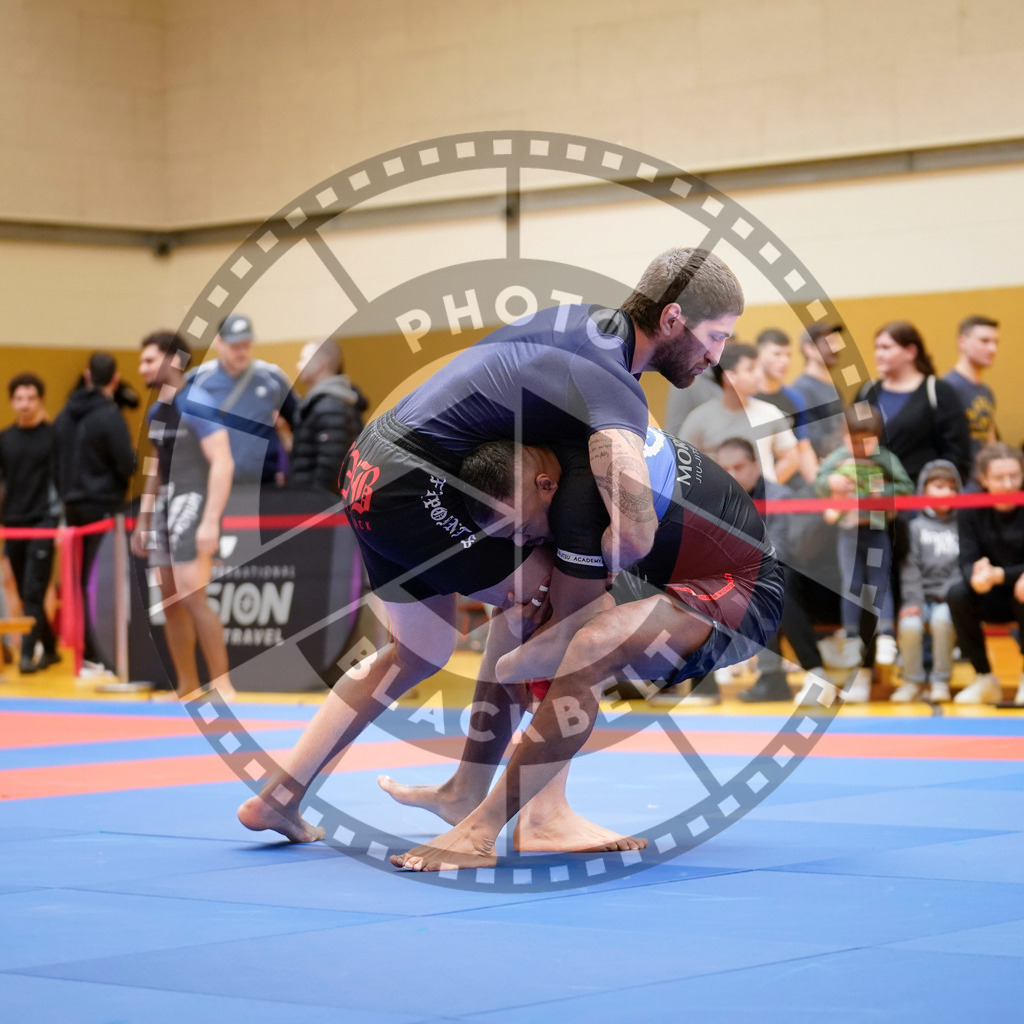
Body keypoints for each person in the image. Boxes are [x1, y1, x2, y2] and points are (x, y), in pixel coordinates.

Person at [236, 246, 744, 846]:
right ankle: (545, 816)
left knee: (417, 650)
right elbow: (635, 536)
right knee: (567, 608)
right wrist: (602, 564)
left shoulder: (578, 319)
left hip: (368, 469)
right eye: (716, 337)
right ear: (672, 319)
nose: (718, 356)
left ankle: (284, 795)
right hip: (416, 486)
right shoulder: (616, 390)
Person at [386, 425, 784, 870]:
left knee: (591, 642)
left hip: (744, 593)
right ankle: (472, 793)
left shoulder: (580, 501)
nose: (521, 541)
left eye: (521, 527)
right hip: (667, 572)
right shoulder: (562, 454)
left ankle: (488, 829)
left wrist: (511, 666)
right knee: (523, 611)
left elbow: (563, 637)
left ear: (544, 486)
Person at [130, 331, 237, 700]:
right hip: (167, 506)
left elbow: (222, 461)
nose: (141, 367)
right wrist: (144, 519)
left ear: (173, 361)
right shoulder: (159, 410)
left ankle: (222, 684)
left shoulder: (197, 401)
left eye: (148, 359)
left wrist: (211, 520)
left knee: (193, 595)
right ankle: (188, 686)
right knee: (171, 601)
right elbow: (156, 468)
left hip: (193, 501)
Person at [714, 437, 833, 702]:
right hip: (749, 578)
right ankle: (711, 679)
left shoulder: (779, 497)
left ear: (756, 466)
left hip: (810, 586)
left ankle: (810, 672)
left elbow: (779, 554)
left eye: (739, 467)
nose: (732, 474)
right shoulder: (720, 502)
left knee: (770, 583)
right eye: (725, 469)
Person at [815, 405, 913, 702]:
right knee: (852, 583)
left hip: (876, 529)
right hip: (848, 531)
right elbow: (820, 480)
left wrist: (881, 493)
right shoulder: (838, 458)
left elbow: (906, 487)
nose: (860, 447)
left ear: (879, 437)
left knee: (878, 581)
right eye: (854, 440)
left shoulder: (885, 459)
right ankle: (852, 636)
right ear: (844, 435)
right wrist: (831, 482)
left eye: (867, 441)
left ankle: (885, 635)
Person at [54, 352, 135, 674]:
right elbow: (126, 463)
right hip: (102, 506)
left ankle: (89, 651)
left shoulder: (63, 416)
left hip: (72, 505)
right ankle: (98, 654)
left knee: (79, 580)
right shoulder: (109, 416)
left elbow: (54, 461)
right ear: (114, 379)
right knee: (99, 581)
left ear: (88, 376)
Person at [947, 443, 1024, 706]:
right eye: (999, 477)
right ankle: (983, 677)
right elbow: (967, 560)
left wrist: (1000, 574)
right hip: (990, 592)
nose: (1008, 483)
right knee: (957, 594)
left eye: (1014, 476)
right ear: (983, 479)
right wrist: (976, 577)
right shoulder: (971, 509)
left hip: (1020, 590)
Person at [189, 314, 298, 486]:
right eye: (235, 346)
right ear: (220, 343)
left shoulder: (271, 378)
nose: (242, 352)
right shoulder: (198, 380)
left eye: (246, 345)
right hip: (213, 482)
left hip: (264, 482)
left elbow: (299, 422)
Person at [858, 321, 971, 486]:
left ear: (910, 352)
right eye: (877, 348)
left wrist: (939, 487)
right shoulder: (868, 390)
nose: (878, 354)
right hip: (872, 494)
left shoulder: (937, 392)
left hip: (918, 497)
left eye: (886, 348)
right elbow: (849, 438)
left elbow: (957, 452)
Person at [0, 374, 61, 673]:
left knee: (35, 589)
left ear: (40, 400)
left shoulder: (53, 437)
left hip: (43, 521)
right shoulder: (4, 439)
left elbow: (60, 481)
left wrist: (59, 523)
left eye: (30, 398)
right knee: (25, 593)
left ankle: (27, 654)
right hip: (14, 524)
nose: (24, 404)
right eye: (19, 399)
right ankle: (50, 648)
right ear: (12, 402)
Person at [678, 342, 800, 483]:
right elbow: (683, 464)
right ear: (730, 377)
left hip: (760, 505)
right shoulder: (699, 418)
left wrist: (766, 488)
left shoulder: (770, 412)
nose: (758, 376)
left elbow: (791, 457)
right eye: (751, 369)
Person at [893, 460, 963, 703]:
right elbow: (910, 568)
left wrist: (948, 592)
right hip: (919, 597)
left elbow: (962, 567)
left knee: (943, 621)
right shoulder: (915, 528)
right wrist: (913, 600)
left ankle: (940, 680)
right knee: (910, 627)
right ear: (924, 491)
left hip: (948, 597)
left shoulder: (962, 527)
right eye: (939, 486)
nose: (947, 493)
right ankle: (912, 680)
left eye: (953, 488)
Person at [288, 337, 368, 494]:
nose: (298, 365)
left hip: (320, 506)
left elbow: (331, 464)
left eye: (304, 359)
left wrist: (316, 503)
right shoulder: (327, 402)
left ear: (319, 364)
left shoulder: (330, 406)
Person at [754, 328, 817, 483]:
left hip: (788, 483)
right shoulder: (747, 397)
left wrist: (818, 486)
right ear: (759, 355)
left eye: (788, 355)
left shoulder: (794, 398)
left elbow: (803, 446)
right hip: (755, 483)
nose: (784, 361)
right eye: (777, 354)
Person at [942, 315, 1000, 462]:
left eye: (996, 342)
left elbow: (989, 440)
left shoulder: (986, 391)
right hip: (959, 479)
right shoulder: (947, 387)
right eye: (985, 341)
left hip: (983, 479)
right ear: (963, 342)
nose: (993, 349)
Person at [790, 322, 846, 459]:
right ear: (809, 349)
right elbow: (811, 439)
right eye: (828, 343)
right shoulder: (802, 389)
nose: (836, 348)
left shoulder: (831, 387)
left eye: (836, 342)